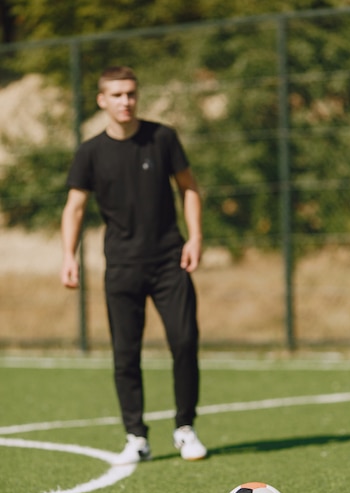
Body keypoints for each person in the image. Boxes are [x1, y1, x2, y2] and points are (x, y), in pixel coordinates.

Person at [61, 65, 207, 464]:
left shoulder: (163, 138)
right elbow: (75, 208)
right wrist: (68, 256)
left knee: (185, 341)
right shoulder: (90, 152)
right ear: (102, 100)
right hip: (122, 266)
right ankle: (136, 437)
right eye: (117, 94)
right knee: (126, 353)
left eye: (131, 94)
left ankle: (185, 428)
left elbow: (189, 188)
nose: (126, 101)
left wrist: (194, 237)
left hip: (169, 260)